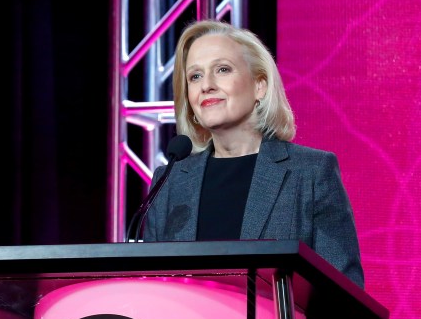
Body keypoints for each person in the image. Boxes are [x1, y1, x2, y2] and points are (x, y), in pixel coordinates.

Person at [142, 19, 364, 291]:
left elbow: (344, 289)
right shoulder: (169, 181)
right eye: (195, 76)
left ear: (259, 86)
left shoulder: (311, 172)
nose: (206, 85)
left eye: (222, 69)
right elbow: (151, 288)